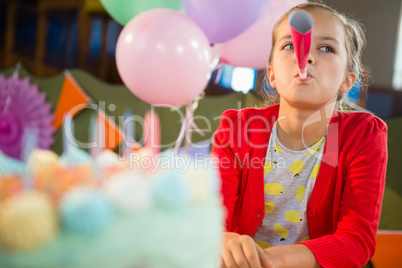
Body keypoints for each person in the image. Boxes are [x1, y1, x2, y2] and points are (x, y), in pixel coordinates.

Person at [211, 2, 388, 268]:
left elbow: (356, 240)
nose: (304, 56)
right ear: (271, 74)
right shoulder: (237, 129)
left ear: (347, 81)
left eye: (326, 48)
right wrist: (222, 241)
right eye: (289, 46)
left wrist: (268, 262)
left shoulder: (364, 134)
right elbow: (211, 220)